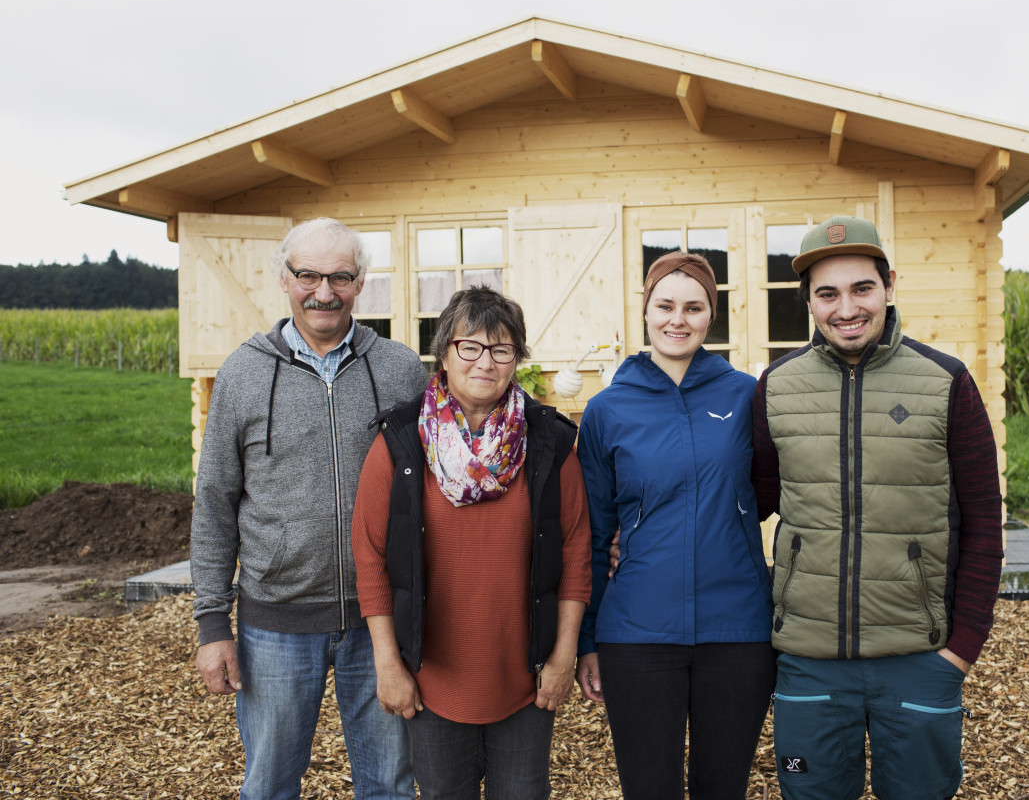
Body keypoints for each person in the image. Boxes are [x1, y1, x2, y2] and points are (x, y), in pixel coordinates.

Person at [753, 216, 1004, 799]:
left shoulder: (947, 383)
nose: (847, 308)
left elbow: (986, 527)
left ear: (889, 285)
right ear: (810, 303)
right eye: (828, 294)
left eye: (861, 289)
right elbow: (750, 503)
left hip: (920, 660)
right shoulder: (777, 387)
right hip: (809, 664)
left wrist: (960, 649)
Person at [191, 217, 426, 800]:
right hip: (276, 621)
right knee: (269, 783)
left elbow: (433, 489)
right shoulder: (243, 374)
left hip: (382, 621)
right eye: (309, 275)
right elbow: (215, 504)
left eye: (340, 276)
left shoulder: (399, 369)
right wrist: (212, 623)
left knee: (390, 785)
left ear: (361, 283)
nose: (324, 291)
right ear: (283, 279)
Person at [352, 285, 591, 800]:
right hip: (433, 676)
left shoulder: (549, 442)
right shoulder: (400, 441)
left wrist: (563, 656)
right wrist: (388, 664)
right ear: (444, 353)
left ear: (516, 360)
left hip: (524, 677)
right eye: (471, 347)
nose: (486, 362)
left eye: (501, 349)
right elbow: (370, 556)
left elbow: (575, 551)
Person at [575, 252, 776, 800]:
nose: (677, 320)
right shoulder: (606, 410)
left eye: (693, 307)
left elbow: (768, 491)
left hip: (738, 629)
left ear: (712, 316)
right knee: (649, 789)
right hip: (637, 632)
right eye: (665, 305)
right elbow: (593, 532)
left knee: (723, 787)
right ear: (646, 311)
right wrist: (588, 638)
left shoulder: (746, 396)